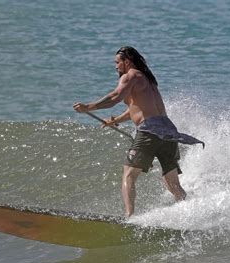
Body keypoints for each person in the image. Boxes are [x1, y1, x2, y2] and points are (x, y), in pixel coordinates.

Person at [74, 46, 204, 217]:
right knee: (172, 183)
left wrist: (88, 107)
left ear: (127, 62)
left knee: (128, 176)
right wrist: (115, 120)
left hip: (149, 131)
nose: (115, 66)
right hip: (169, 132)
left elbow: (115, 96)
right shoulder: (148, 80)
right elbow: (137, 109)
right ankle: (191, 214)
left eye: (117, 62)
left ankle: (129, 218)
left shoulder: (131, 75)